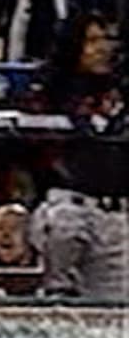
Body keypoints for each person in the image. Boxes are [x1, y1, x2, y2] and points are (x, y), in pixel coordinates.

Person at [31, 17, 127, 299]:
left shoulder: (120, 88)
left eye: (106, 40)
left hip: (116, 215)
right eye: (92, 41)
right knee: (58, 295)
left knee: (115, 308)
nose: (102, 49)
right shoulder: (54, 90)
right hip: (68, 205)